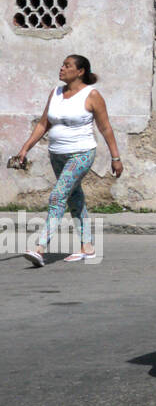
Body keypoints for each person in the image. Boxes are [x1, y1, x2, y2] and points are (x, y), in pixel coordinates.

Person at [15, 55, 123, 266]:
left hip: (81, 153)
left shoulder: (92, 95)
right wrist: (25, 148)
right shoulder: (55, 93)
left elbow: (105, 128)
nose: (62, 68)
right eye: (62, 65)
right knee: (74, 198)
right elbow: (43, 124)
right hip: (56, 154)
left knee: (58, 195)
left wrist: (115, 157)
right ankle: (88, 247)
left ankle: (40, 247)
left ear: (80, 71)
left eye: (67, 66)